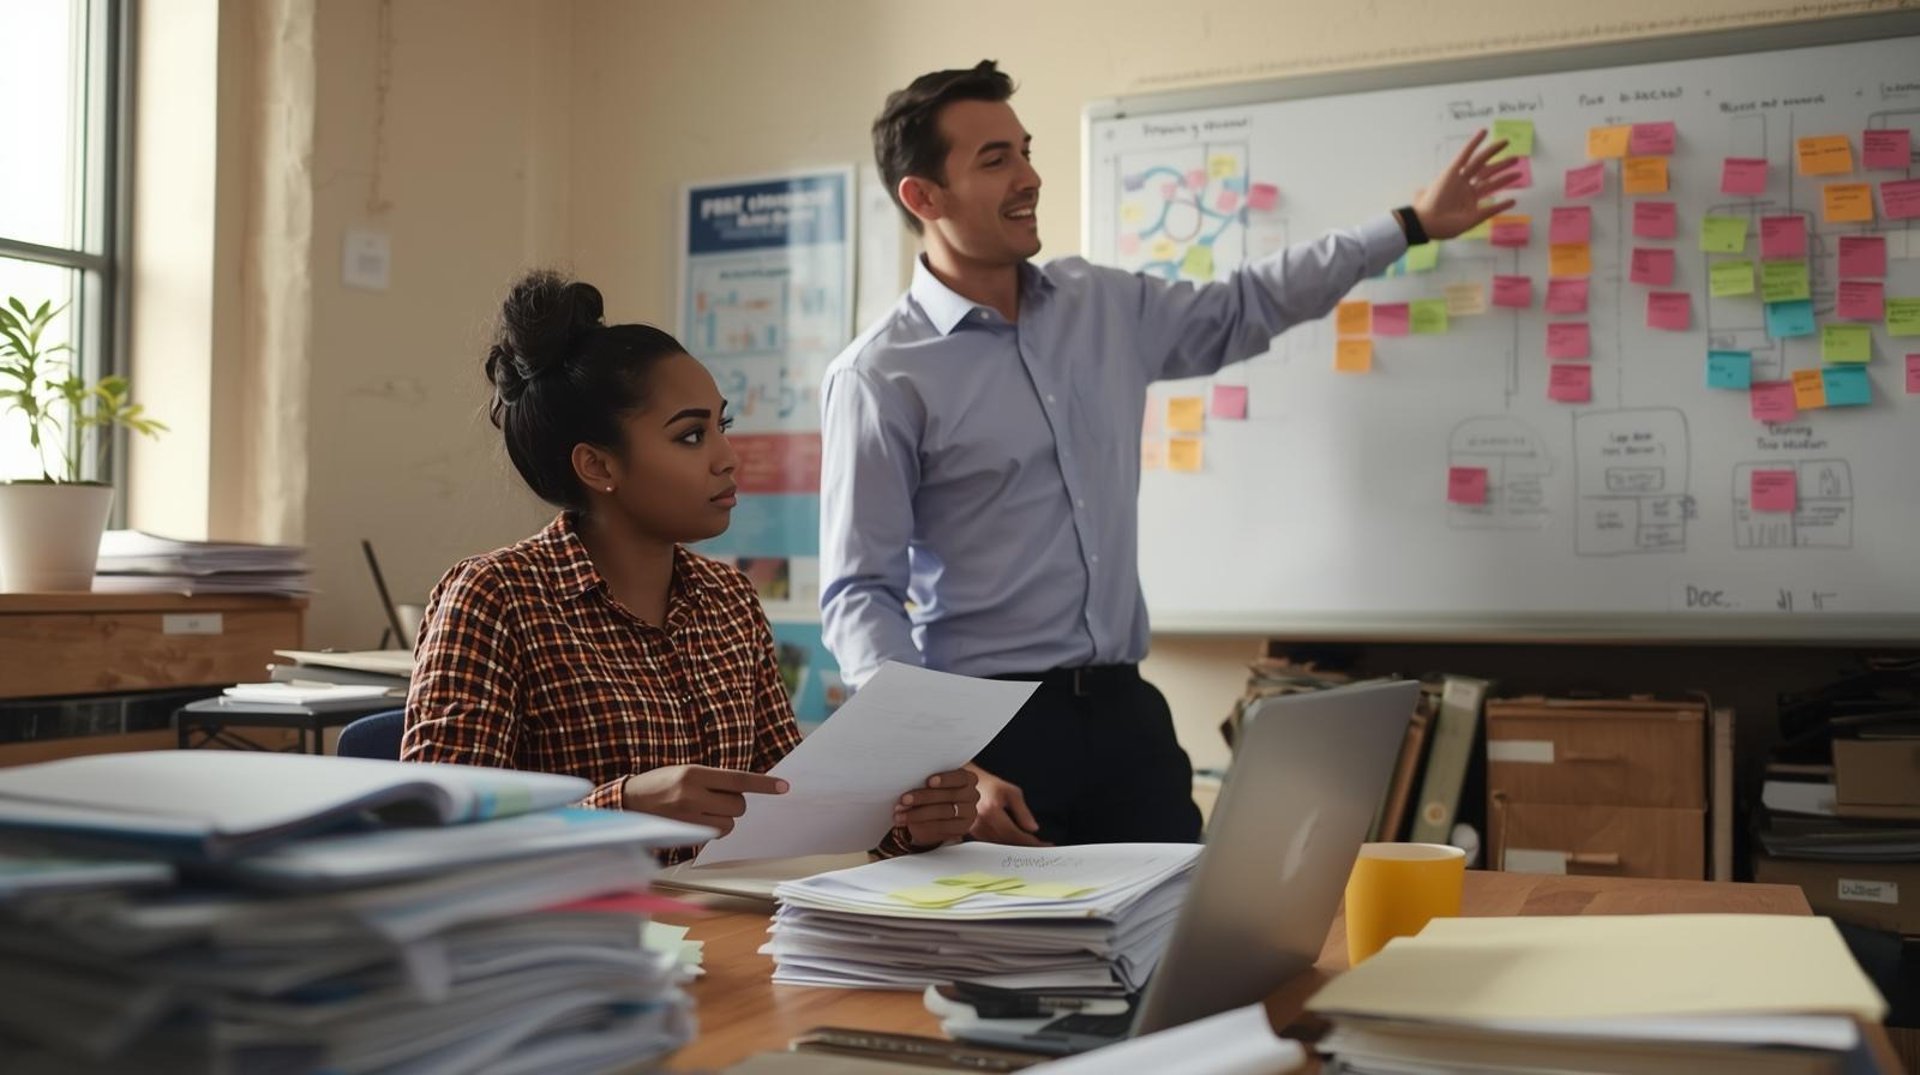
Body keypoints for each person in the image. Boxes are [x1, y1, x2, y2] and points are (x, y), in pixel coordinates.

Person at [819, 61, 1517, 847]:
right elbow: (860, 593)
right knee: (1007, 964)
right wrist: (937, 761)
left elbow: (1246, 305)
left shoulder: (1100, 305)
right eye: (996, 160)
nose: (1030, 176)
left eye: (1025, 150)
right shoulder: (881, 374)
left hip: (1126, 717)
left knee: (1179, 948)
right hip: (989, 735)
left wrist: (1409, 224)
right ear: (924, 197)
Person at [402, 270, 978, 862]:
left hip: (723, 931)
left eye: (721, 426)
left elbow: (787, 805)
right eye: (690, 437)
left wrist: (910, 822)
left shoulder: (729, 598)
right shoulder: (494, 598)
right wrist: (622, 809)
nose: (727, 458)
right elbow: (435, 832)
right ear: (598, 467)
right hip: (573, 938)